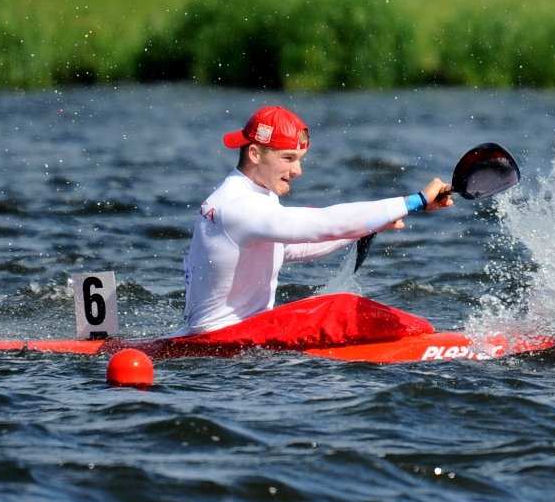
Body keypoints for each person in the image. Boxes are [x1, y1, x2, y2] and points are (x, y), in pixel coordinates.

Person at [178, 105, 453, 335]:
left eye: (300, 159)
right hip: (223, 339)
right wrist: (414, 201)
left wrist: (366, 226)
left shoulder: (250, 194)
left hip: (230, 334)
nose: (297, 170)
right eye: (288, 158)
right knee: (339, 309)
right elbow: (321, 223)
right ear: (254, 154)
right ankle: (430, 341)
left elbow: (292, 248)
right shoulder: (240, 206)